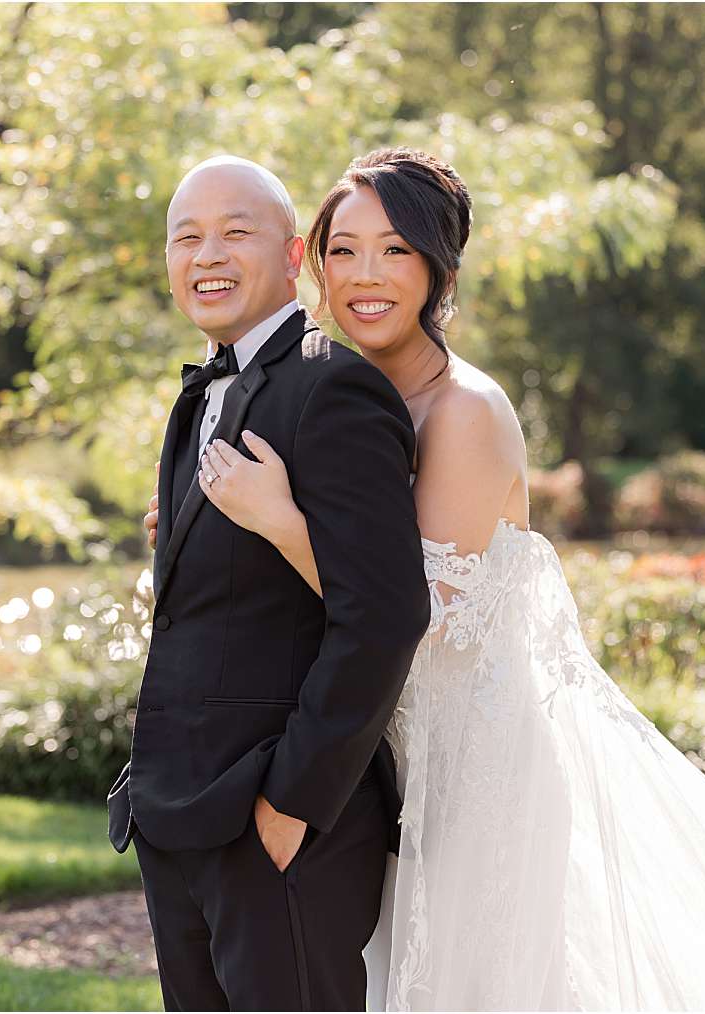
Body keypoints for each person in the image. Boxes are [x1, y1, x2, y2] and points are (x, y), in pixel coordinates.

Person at [145, 147, 705, 1011]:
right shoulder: (322, 394)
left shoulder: (464, 412)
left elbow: (410, 613)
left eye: (394, 251)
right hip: (372, 757)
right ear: (314, 261)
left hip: (470, 761)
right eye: (344, 250)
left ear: (439, 268)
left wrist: (279, 524)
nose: (364, 275)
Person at [107, 154, 431, 1011]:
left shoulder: (337, 389)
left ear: (293, 258)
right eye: (187, 238)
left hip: (276, 825)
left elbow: (387, 615)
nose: (206, 254)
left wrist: (291, 807)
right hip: (175, 814)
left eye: (235, 233)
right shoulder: (200, 395)